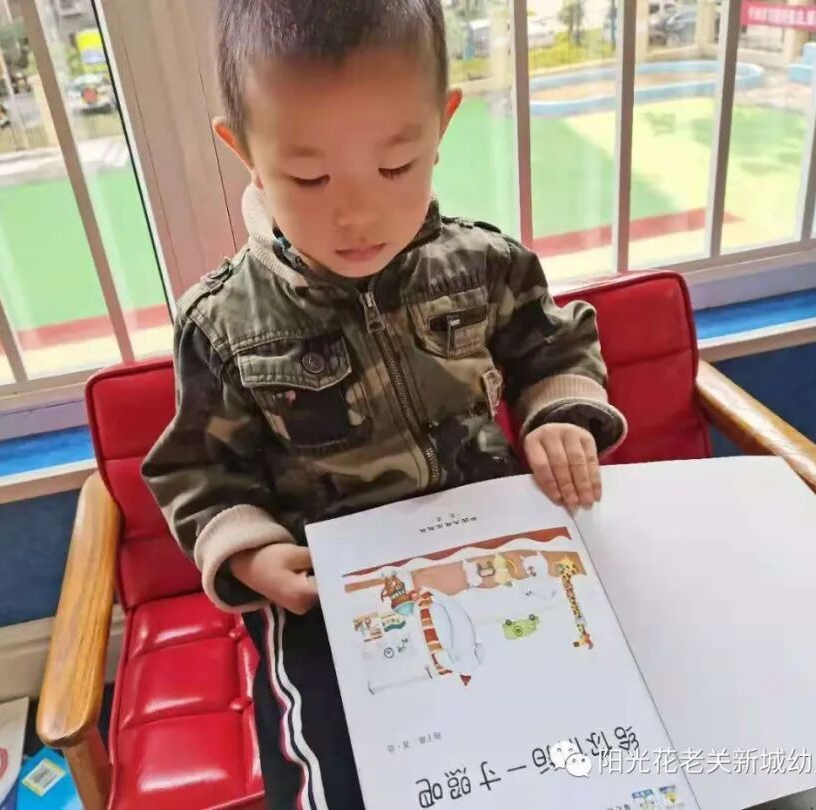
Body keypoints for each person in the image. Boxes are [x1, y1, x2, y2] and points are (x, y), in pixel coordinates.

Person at [142, 2, 627, 807]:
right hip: (333, 599)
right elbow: (199, 470)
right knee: (338, 782)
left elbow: (556, 349)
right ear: (246, 153)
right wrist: (251, 553)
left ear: (441, 127)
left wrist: (560, 416)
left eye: (396, 166)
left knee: (599, 732)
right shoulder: (222, 323)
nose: (357, 214)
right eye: (309, 178)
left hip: (497, 557)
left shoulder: (486, 264)